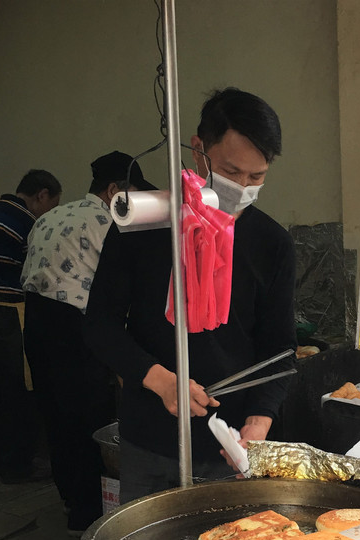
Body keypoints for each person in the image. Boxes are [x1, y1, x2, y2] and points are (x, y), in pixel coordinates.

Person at [85, 88, 297, 503]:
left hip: (229, 447)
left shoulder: (271, 243)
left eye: (256, 177)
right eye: (231, 171)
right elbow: (100, 327)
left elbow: (280, 350)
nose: (242, 186)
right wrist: (163, 382)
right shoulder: (141, 226)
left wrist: (259, 422)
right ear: (198, 150)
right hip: (149, 441)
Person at [22, 152, 156, 531]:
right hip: (75, 329)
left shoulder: (48, 216)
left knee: (55, 415)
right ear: (113, 190)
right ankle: (92, 514)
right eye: (132, 194)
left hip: (36, 324)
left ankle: (72, 502)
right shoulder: (106, 221)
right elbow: (118, 292)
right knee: (90, 419)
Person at [0, 169, 61, 482]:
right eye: (51, 205)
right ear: (41, 195)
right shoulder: (28, 224)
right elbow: (38, 276)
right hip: (10, 318)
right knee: (18, 393)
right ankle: (16, 467)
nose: (49, 213)